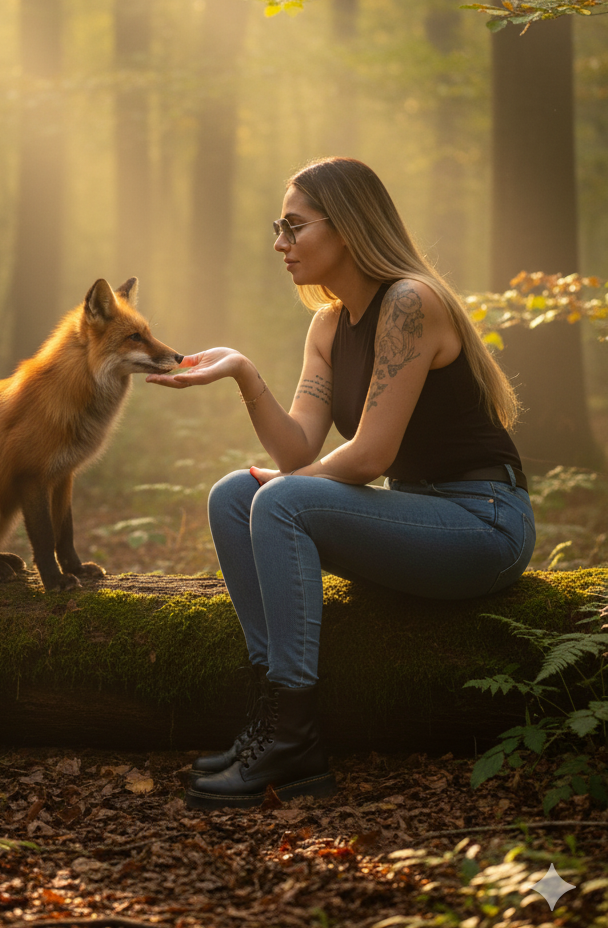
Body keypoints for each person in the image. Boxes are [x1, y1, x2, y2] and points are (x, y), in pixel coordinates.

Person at [147, 157, 535, 810]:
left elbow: (369, 456)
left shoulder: (411, 302)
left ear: (348, 228)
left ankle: (295, 742)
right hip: (413, 514)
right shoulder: (328, 325)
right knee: (232, 495)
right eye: (279, 227)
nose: (280, 243)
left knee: (275, 499)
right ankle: (272, 714)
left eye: (294, 227)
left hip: (483, 521)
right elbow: (300, 450)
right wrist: (244, 373)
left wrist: (286, 491)